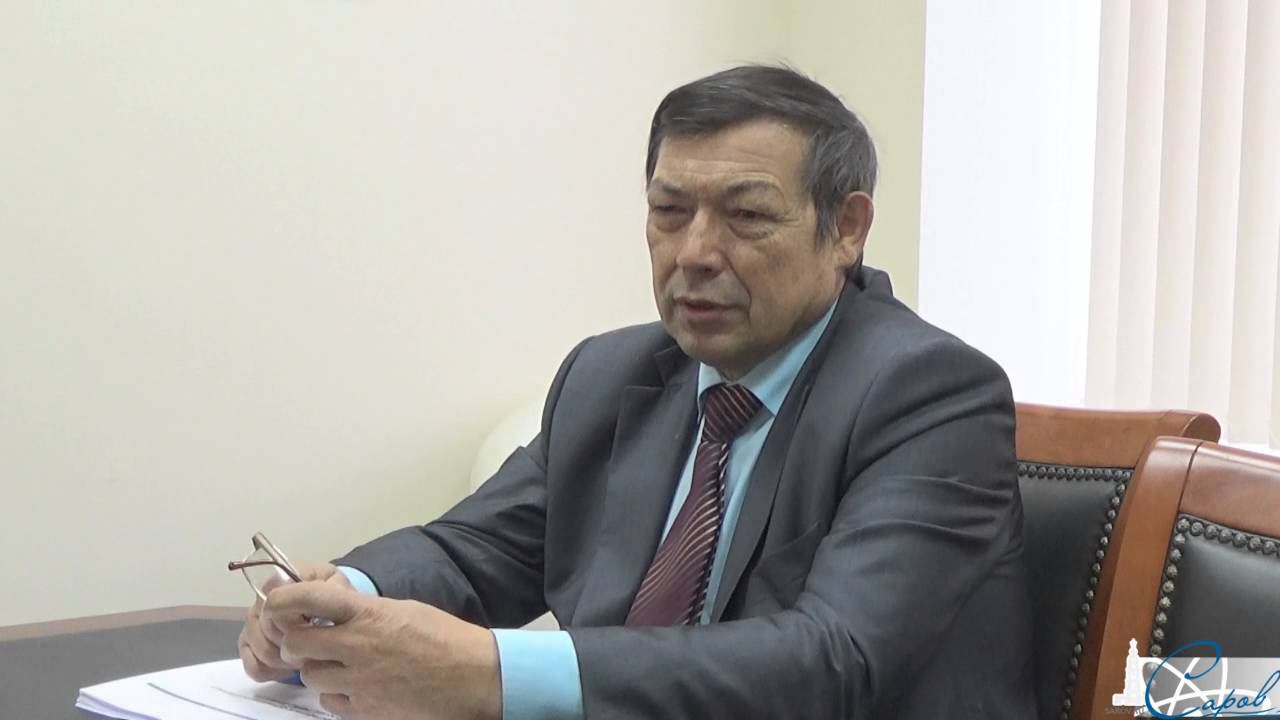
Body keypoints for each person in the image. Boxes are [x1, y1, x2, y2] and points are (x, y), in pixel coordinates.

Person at [240, 64, 1037, 720]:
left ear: (847, 229)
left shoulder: (930, 396)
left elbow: (832, 661)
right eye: (669, 211)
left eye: (746, 215)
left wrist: (492, 672)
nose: (695, 252)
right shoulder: (612, 374)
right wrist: (345, 597)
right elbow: (475, 549)